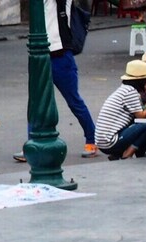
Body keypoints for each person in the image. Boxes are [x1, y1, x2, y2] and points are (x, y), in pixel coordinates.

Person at [15, 0, 99, 161]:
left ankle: (91, 139)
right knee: (36, 102)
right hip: (39, 54)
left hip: (61, 55)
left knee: (74, 100)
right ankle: (32, 144)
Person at [95, 60, 146, 160]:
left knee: (141, 126)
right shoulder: (130, 92)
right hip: (110, 141)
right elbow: (141, 116)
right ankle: (127, 153)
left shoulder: (125, 89)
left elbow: (137, 113)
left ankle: (118, 153)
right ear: (140, 80)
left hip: (102, 140)